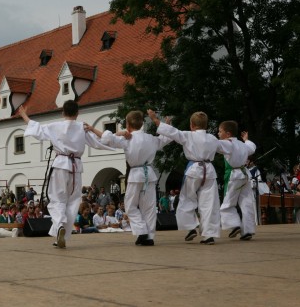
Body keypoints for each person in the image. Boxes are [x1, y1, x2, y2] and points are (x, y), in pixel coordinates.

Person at [19, 101, 113, 249]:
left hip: (61, 164)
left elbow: (36, 128)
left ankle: (60, 224)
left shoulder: (56, 126)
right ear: (77, 113)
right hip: (76, 166)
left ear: (63, 112)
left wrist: (23, 114)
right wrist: (116, 142)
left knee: (57, 199)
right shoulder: (82, 127)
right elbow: (99, 143)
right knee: (73, 202)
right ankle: (60, 233)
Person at [87, 110, 171, 246]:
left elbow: (107, 138)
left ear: (127, 124)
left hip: (136, 174)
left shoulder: (128, 138)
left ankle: (142, 231)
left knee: (131, 206)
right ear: (142, 123)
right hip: (149, 173)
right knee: (149, 207)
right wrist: (166, 127)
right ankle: (148, 236)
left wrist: (92, 129)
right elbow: (165, 139)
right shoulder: (150, 138)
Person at [148, 109, 221, 245]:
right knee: (209, 203)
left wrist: (155, 119)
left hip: (194, 171)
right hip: (210, 171)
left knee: (187, 199)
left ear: (192, 125)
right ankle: (208, 235)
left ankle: (191, 227)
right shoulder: (212, 138)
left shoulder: (188, 135)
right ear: (206, 125)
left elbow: (173, 132)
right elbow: (224, 147)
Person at [217, 121, 257, 240]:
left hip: (234, 175)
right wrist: (246, 139)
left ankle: (234, 225)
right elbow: (252, 148)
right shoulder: (242, 145)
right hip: (244, 175)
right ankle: (248, 230)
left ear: (228, 134)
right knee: (246, 202)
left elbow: (212, 145)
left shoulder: (227, 143)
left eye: (220, 131)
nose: (218, 134)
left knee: (228, 203)